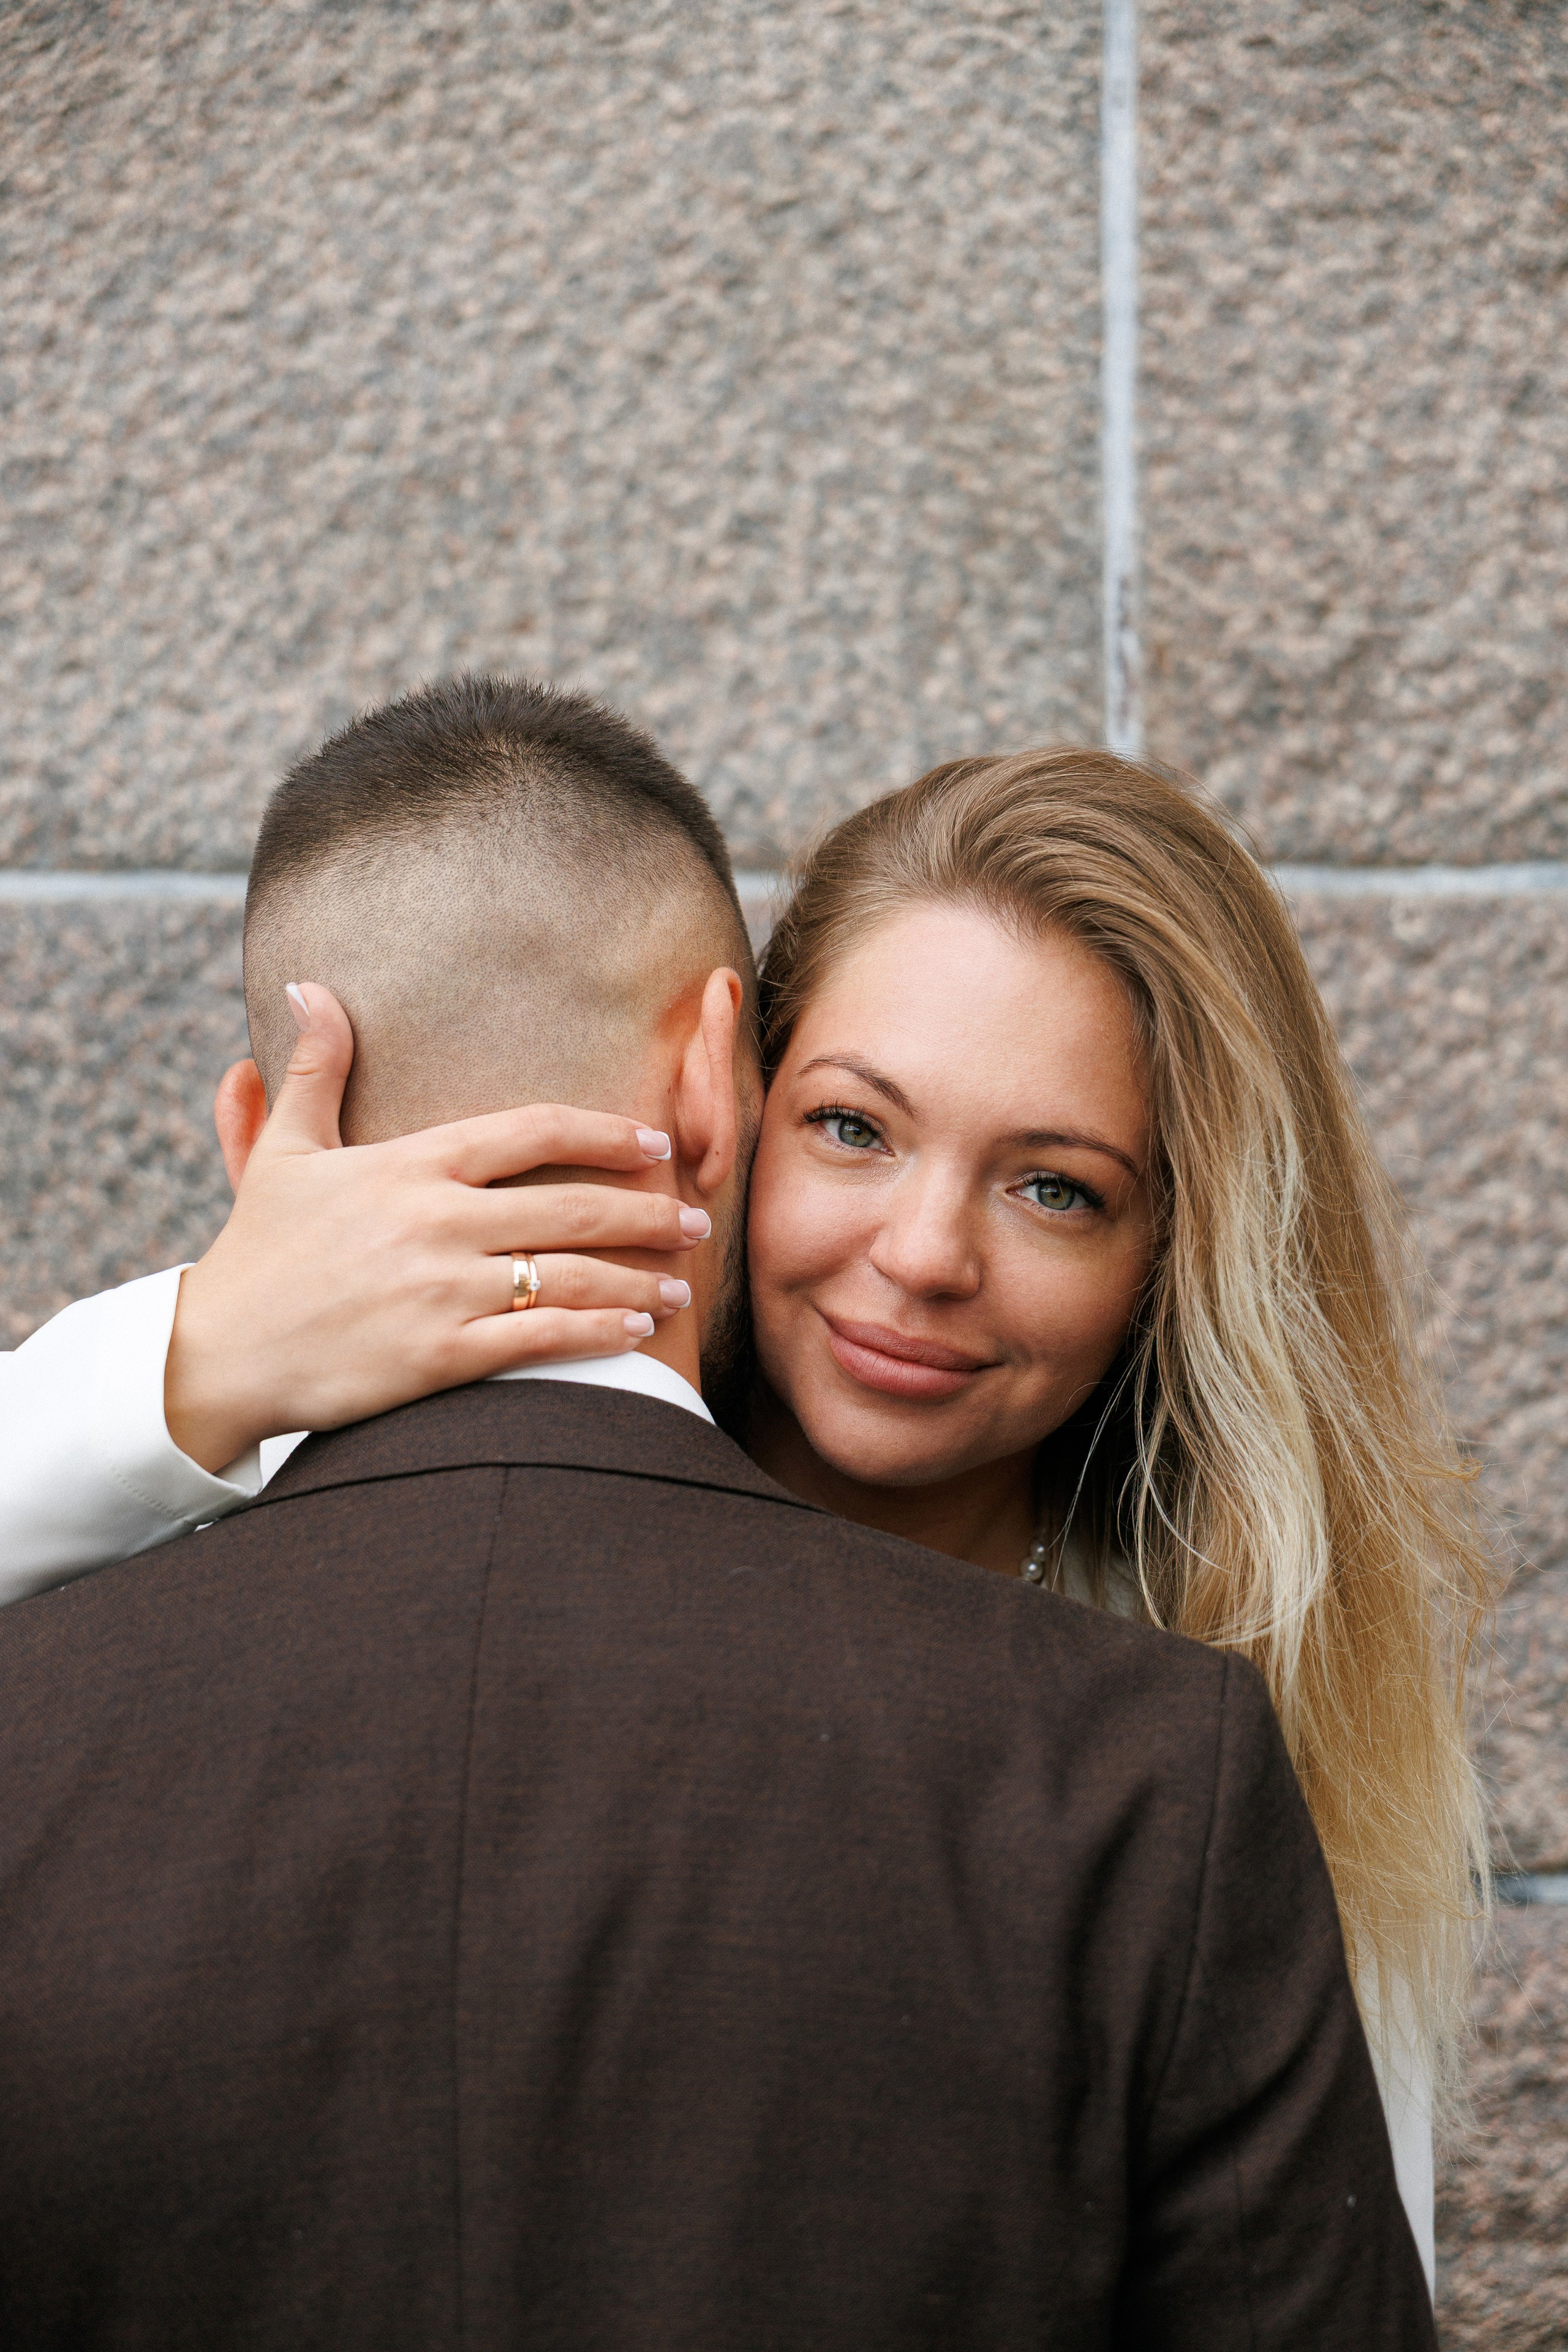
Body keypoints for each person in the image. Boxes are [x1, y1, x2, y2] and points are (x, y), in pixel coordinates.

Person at [0, 680, 1467, 2317]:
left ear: (1174, 1258)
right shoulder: (193, 1524)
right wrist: (204, 1353)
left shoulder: (1195, 1764)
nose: (925, 1254)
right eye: (852, 1127)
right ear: (728, 1102)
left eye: (1058, 1187)